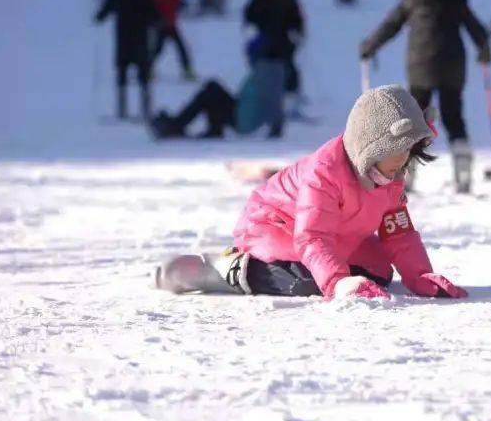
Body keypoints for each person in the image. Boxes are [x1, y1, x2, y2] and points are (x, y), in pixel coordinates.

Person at [155, 85, 468, 301]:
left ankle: (331, 275)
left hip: (337, 233)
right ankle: (225, 270)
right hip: (274, 224)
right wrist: (337, 282)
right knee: (307, 279)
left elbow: (397, 232)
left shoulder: (392, 178)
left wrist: (420, 277)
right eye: (395, 153)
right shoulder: (325, 173)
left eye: (407, 153)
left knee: (378, 273)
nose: (402, 163)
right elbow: (313, 237)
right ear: (369, 148)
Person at [360, 0, 491, 193]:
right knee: (453, 116)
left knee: (414, 121)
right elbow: (476, 29)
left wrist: (369, 46)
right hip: (453, 66)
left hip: (421, 67)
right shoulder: (455, 1)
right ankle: (463, 173)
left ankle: (406, 174)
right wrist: (484, 50)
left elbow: (390, 26)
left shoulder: (413, 0)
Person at [150, 41, 286, 140]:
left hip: (244, 119)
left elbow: (272, 99)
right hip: (244, 112)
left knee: (212, 89)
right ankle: (208, 128)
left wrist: (276, 126)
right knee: (213, 90)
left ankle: (176, 126)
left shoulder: (266, 72)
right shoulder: (268, 70)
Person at [94, 0, 158, 120]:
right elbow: (106, 8)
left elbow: (153, 11)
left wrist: (156, 21)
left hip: (141, 38)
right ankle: (122, 110)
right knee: (121, 74)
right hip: (123, 39)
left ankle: (146, 110)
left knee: (144, 75)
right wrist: (100, 15)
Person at [244, 0, 306, 106]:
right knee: (268, 70)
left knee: (289, 70)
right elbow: (250, 13)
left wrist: (298, 30)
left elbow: (296, 16)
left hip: (285, 39)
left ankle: (290, 101)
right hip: (266, 38)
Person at [152, 0, 196, 81]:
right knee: (178, 47)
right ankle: (187, 69)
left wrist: (181, 4)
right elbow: (158, 4)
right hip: (165, 24)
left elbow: (174, 2)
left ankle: (149, 68)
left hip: (167, 23)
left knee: (159, 48)